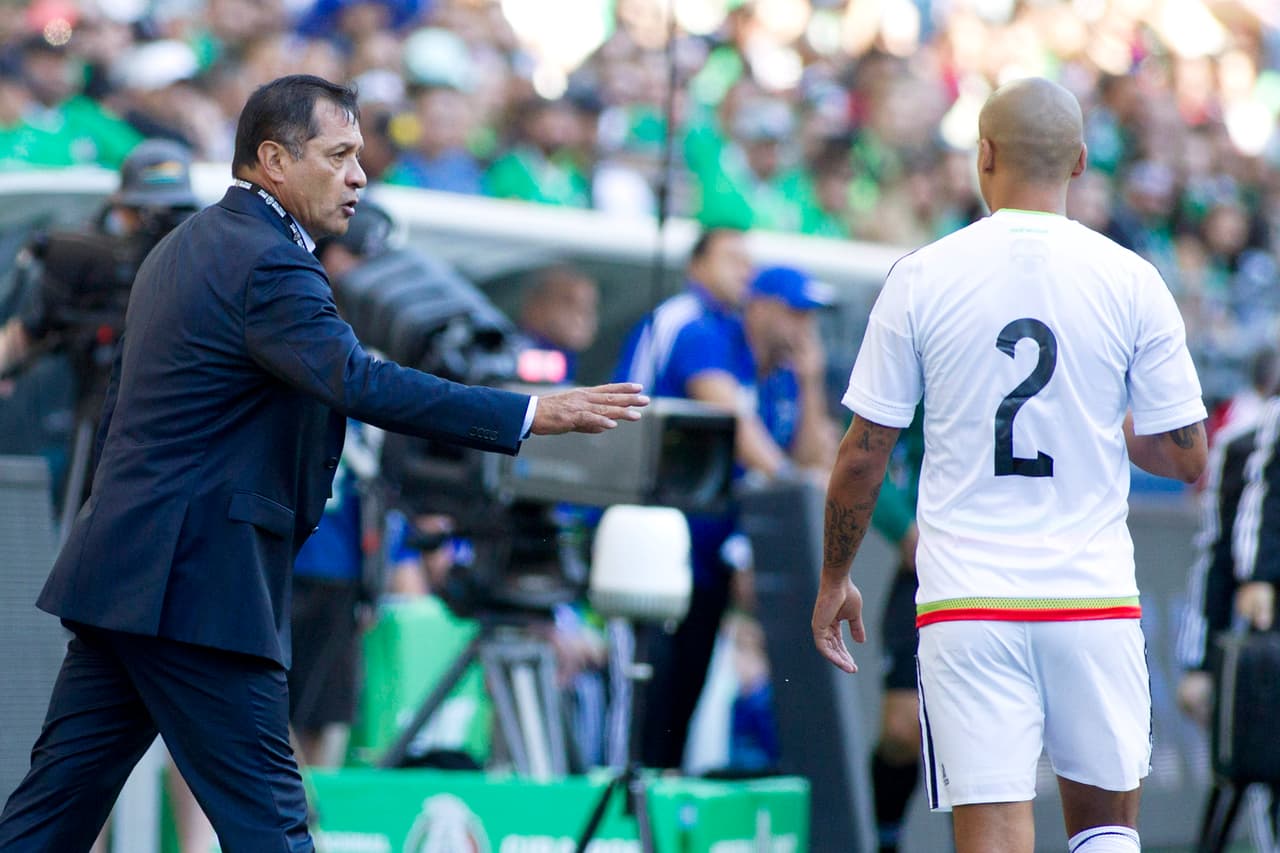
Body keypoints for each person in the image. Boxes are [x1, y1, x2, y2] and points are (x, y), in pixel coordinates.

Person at [0, 74, 648, 853]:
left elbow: (120, 416)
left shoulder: (186, 245)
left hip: (126, 572)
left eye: (360, 156)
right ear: (273, 159)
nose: (359, 175)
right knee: (274, 823)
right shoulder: (269, 261)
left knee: (47, 818)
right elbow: (360, 380)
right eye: (339, 154)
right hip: (197, 585)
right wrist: (529, 410)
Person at [811, 77, 1208, 853]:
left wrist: (835, 578)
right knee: (1105, 835)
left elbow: (863, 456)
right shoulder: (1133, 279)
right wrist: (1104, 429)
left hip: (971, 600)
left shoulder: (923, 274)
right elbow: (1186, 453)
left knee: (993, 831)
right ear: (1082, 162)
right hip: (1091, 595)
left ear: (982, 156)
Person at [613, 232, 830, 770]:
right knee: (643, 701)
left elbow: (812, 457)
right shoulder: (700, 329)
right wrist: (792, 482)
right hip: (649, 542)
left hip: (704, 559)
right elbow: (733, 422)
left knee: (681, 700)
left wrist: (812, 382)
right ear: (762, 308)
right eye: (795, 313)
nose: (805, 327)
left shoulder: (777, 375)